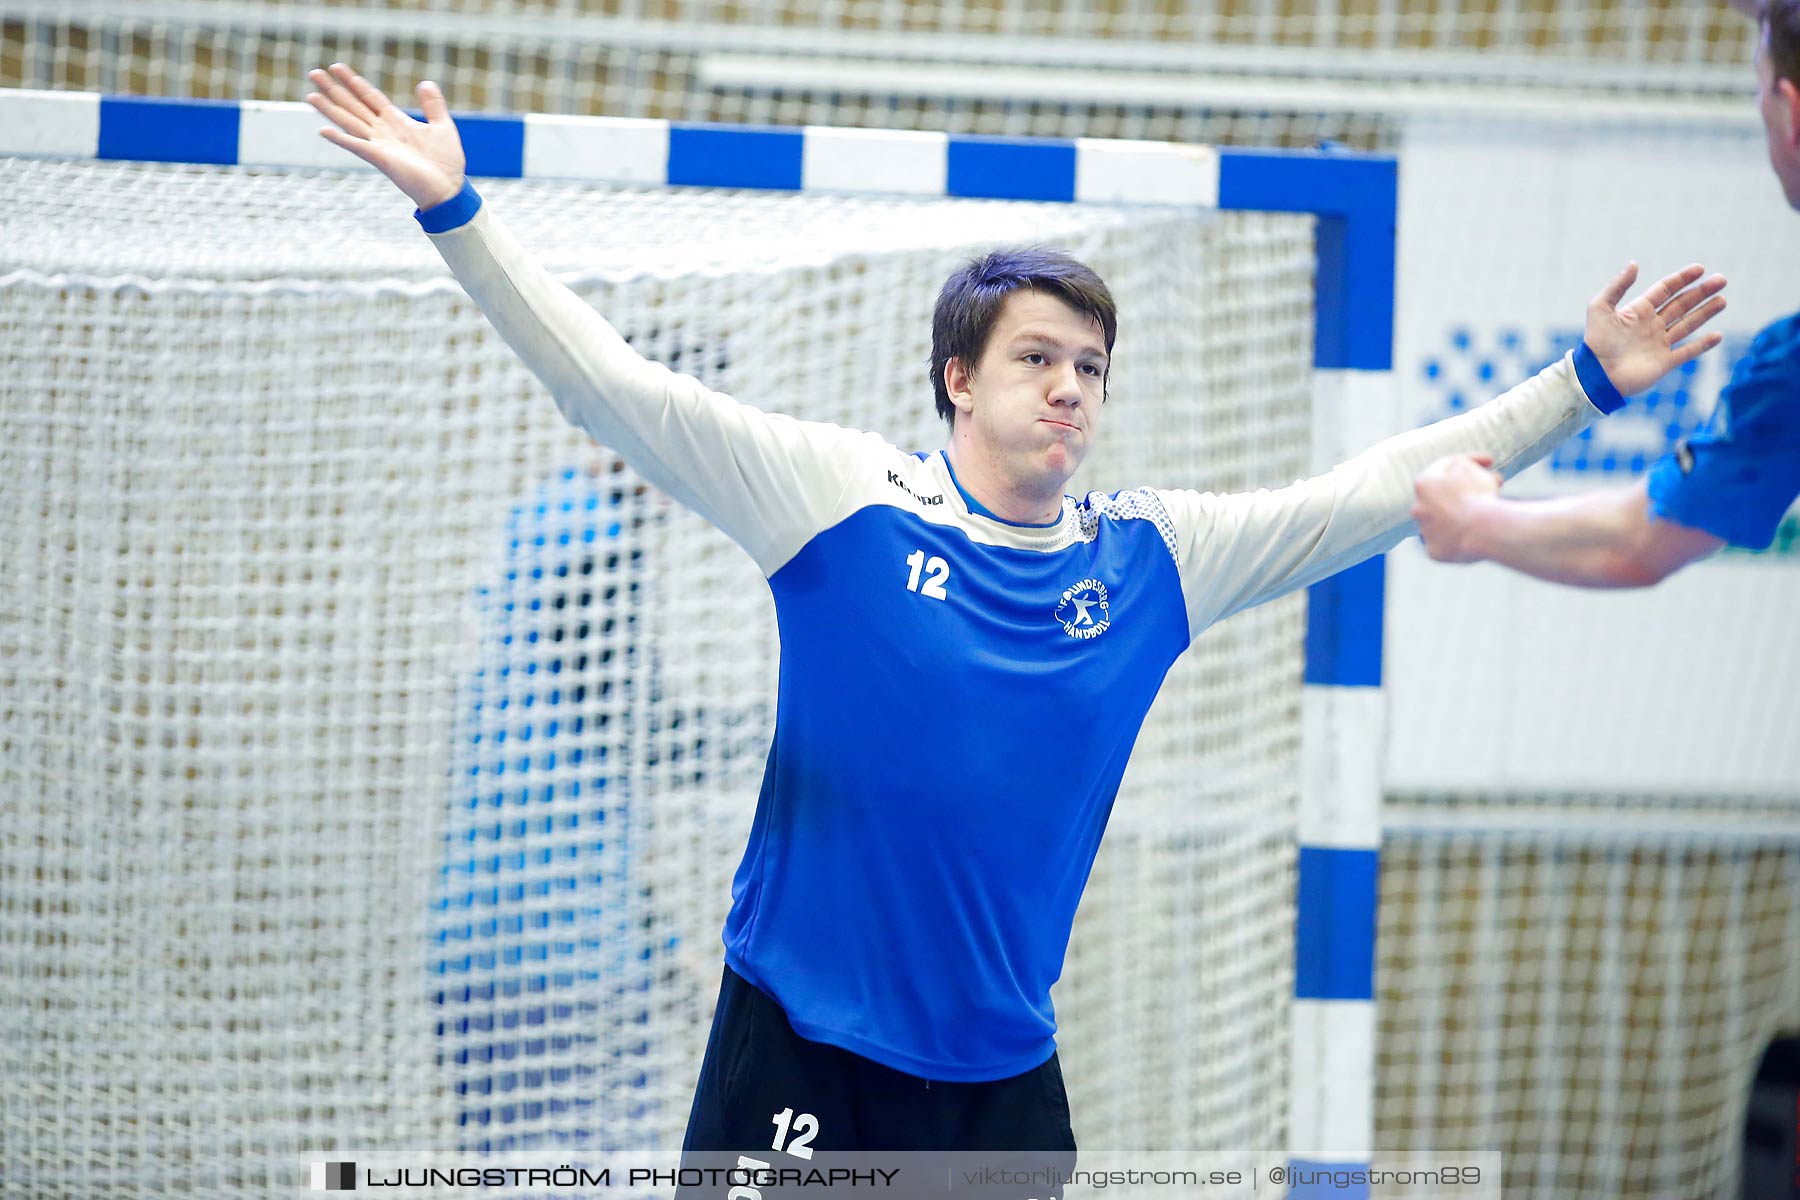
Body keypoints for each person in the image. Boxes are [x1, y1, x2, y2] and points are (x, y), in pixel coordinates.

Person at [303, 62, 1726, 1175]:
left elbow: (1369, 493)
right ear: (954, 381)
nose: (1069, 388)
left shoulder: (1157, 557)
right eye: (1037, 357)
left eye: (1091, 367)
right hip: (795, 1054)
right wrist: (456, 213)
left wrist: (1578, 386)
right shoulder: (838, 501)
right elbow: (611, 386)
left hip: (994, 1084)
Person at [1411, 1, 1799, 585]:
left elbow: (1637, 541)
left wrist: (1471, 521)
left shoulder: (1790, 368)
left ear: (1791, 115)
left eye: (1760, 94)